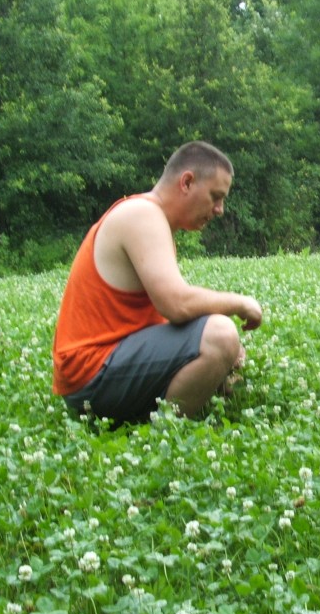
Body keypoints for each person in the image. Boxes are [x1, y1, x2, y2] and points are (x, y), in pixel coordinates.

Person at [52, 141, 262, 423]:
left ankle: (163, 415)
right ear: (186, 182)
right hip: (92, 374)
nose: (219, 209)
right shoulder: (142, 215)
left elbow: (155, 320)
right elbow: (176, 304)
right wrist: (240, 303)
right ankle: (167, 433)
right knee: (221, 336)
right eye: (215, 196)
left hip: (102, 370)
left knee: (228, 347)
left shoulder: (150, 218)